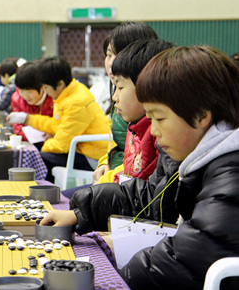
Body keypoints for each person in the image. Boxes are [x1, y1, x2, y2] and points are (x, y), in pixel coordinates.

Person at [41, 46, 239, 290]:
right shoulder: (189, 152)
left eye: (160, 118)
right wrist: (81, 213)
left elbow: (188, 260)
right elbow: (149, 194)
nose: (154, 131)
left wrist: (116, 277)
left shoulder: (231, 173)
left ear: (201, 116)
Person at [8, 56, 110, 179]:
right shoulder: (67, 93)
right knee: (41, 154)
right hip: (82, 148)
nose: (45, 91)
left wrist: (42, 145)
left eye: (45, 87)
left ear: (60, 84)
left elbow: (61, 145)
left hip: (94, 156)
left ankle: (44, 193)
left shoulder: (75, 102)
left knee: (41, 157)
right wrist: (27, 119)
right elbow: (55, 124)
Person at [98, 39, 174, 184]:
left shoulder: (158, 133)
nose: (114, 97)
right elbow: (129, 172)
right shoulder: (135, 126)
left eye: (120, 88)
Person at [93, 22, 159, 183]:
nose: (109, 63)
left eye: (113, 55)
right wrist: (104, 163)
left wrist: (108, 179)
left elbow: (140, 164)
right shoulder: (122, 96)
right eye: (107, 55)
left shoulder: (140, 108)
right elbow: (119, 144)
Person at [10, 61, 53, 143]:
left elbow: (60, 125)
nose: (25, 96)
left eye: (29, 92)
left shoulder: (53, 99)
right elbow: (18, 128)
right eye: (21, 91)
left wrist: (53, 133)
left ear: (42, 87)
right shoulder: (17, 99)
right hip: (30, 143)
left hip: (53, 146)